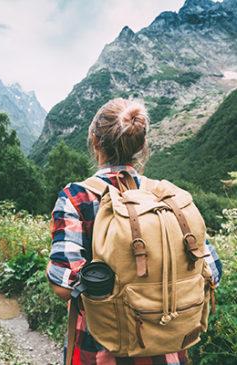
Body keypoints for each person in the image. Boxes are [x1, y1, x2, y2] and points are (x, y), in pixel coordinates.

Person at [46, 97, 222, 365]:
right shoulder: (167, 198)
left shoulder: (78, 197)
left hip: (100, 351)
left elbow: (62, 284)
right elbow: (213, 272)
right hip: (169, 351)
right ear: (141, 146)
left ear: (95, 141)